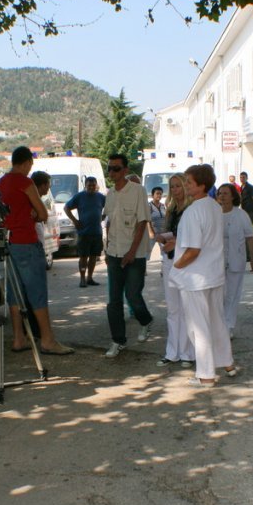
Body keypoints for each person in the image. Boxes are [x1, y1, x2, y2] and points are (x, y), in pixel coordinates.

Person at [0, 146, 74, 355]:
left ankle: (18, 338)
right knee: (37, 292)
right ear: (25, 163)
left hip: (9, 242)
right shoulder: (25, 182)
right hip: (27, 242)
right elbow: (42, 214)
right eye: (30, 164)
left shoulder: (1, 182)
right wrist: (32, 214)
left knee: (14, 292)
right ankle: (47, 339)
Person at [170, 164, 237, 386]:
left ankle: (206, 374)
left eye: (189, 182)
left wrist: (176, 266)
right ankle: (227, 362)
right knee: (217, 321)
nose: (186, 185)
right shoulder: (215, 207)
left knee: (198, 328)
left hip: (195, 278)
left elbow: (193, 250)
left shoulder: (193, 211)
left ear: (201, 185)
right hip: (214, 274)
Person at [103, 153, 153, 358]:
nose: (112, 172)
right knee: (113, 301)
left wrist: (132, 252)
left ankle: (146, 321)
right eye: (109, 168)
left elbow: (142, 222)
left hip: (134, 254)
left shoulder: (138, 191)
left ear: (125, 170)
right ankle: (118, 340)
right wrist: (106, 250)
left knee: (132, 295)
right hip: (113, 253)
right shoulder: (110, 194)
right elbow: (109, 223)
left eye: (116, 168)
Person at [154, 173, 194, 368]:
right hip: (169, 261)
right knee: (172, 309)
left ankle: (187, 353)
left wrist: (175, 242)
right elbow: (171, 233)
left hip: (187, 261)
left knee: (186, 309)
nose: (176, 190)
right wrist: (163, 239)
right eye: (173, 186)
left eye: (179, 186)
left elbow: (194, 237)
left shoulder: (192, 208)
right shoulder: (170, 209)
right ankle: (172, 352)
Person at [216, 183, 253, 338]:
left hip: (236, 259)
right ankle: (219, 324)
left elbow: (249, 238)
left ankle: (229, 325)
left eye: (226, 193)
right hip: (217, 261)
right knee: (219, 294)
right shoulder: (214, 213)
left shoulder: (241, 215)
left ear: (233, 196)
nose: (222, 196)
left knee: (232, 294)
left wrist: (252, 259)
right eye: (220, 193)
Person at [64, 176, 105, 288]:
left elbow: (109, 207)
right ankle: (82, 279)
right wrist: (74, 220)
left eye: (93, 185)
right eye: (89, 185)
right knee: (83, 257)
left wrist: (104, 216)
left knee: (93, 257)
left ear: (96, 185)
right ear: (85, 186)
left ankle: (90, 278)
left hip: (97, 232)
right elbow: (66, 208)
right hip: (84, 232)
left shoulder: (101, 197)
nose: (91, 187)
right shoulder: (79, 196)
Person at [147, 186, 166, 260]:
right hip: (153, 233)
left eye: (160, 194)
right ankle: (143, 270)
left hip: (162, 233)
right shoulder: (149, 205)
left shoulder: (162, 206)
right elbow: (147, 220)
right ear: (152, 195)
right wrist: (150, 232)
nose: (159, 195)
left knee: (164, 252)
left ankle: (164, 270)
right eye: (157, 193)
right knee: (147, 252)